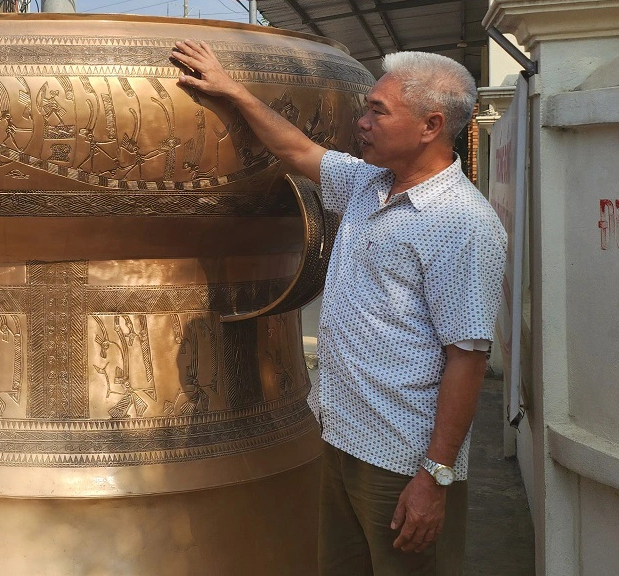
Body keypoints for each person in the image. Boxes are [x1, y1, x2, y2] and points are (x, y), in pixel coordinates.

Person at [172, 40, 506, 575]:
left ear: (430, 125)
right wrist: (233, 90)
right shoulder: (367, 184)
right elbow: (298, 151)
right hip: (343, 437)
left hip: (402, 462)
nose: (362, 122)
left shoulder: (462, 224)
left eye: (378, 111)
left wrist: (434, 477)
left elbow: (467, 357)